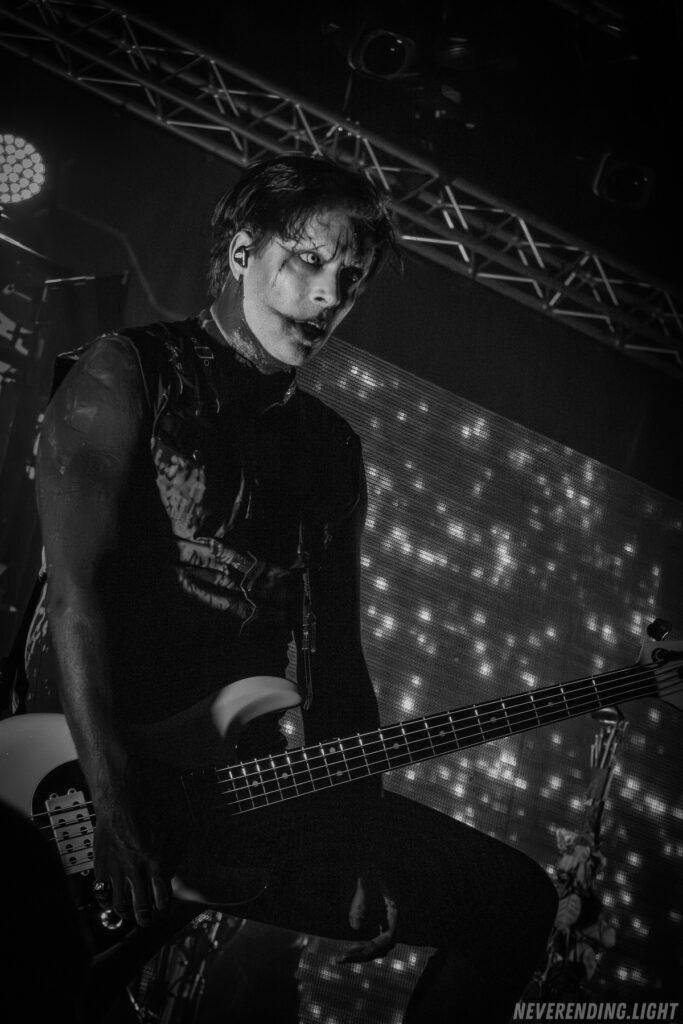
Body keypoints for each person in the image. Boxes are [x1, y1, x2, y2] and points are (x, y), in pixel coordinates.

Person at [24, 154, 557, 1022]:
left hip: (242, 792)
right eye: (309, 261)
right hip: (90, 777)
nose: (328, 296)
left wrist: (356, 836)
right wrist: (113, 798)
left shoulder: (331, 449)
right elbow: (71, 597)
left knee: (515, 901)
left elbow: (335, 659)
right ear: (242, 252)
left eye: (351, 280)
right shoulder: (126, 370)